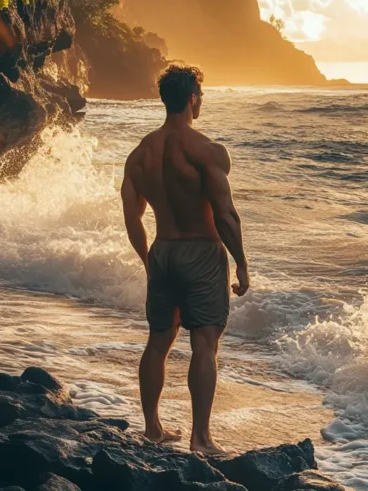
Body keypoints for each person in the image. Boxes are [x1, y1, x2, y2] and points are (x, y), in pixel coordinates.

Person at [120, 64, 249, 456]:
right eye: (201, 96)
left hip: (163, 250)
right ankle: (201, 439)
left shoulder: (139, 155)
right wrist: (241, 263)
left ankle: (153, 429)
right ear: (192, 99)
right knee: (205, 344)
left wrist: (148, 260)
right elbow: (225, 215)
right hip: (200, 251)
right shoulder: (205, 150)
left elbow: (132, 217)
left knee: (158, 341)